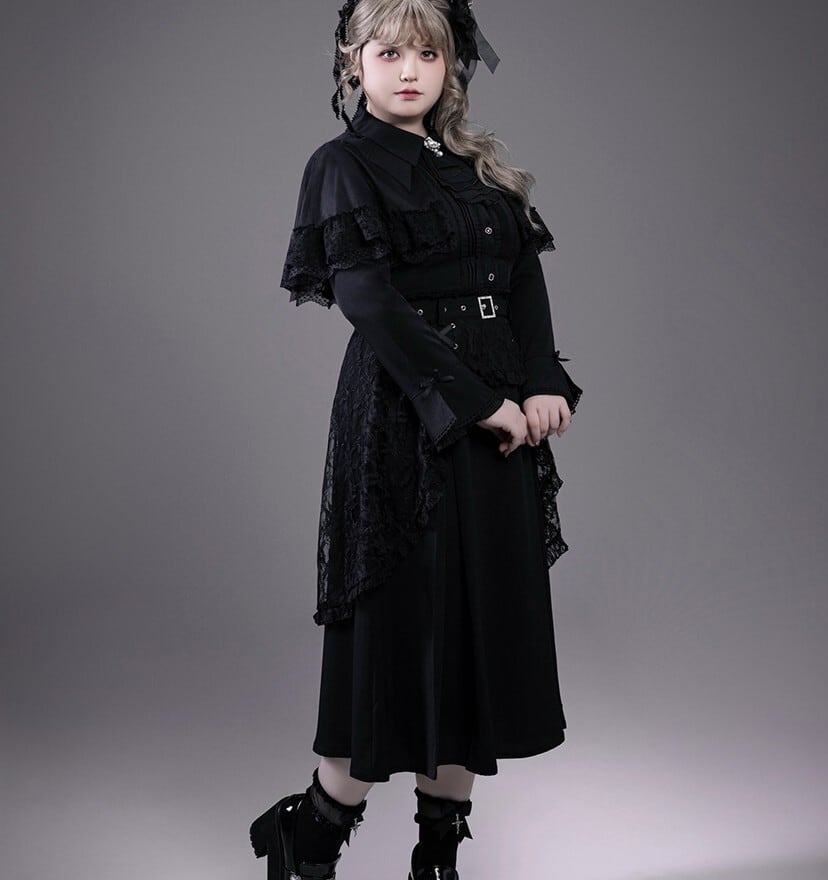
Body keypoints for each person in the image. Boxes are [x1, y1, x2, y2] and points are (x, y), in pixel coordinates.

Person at [249, 1, 582, 878]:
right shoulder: (343, 165)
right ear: (352, 61)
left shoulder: (475, 168)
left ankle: (438, 857)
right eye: (389, 52)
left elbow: (521, 280)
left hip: (502, 417)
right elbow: (368, 301)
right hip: (406, 417)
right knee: (400, 634)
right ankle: (311, 834)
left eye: (427, 54)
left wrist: (543, 381)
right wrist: (476, 403)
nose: (409, 70)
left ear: (449, 65)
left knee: (479, 635)